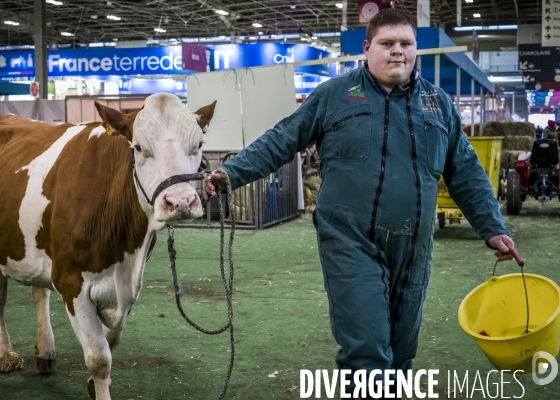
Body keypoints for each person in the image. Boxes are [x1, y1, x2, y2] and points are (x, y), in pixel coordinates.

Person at [204, 9, 514, 398]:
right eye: (387, 44)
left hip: (414, 247)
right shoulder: (335, 95)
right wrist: (230, 173)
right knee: (367, 349)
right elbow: (283, 139)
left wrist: (494, 228)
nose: (397, 52)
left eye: (406, 44)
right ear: (367, 48)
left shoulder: (439, 105)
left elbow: (465, 171)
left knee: (401, 352)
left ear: (416, 49)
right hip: (349, 240)